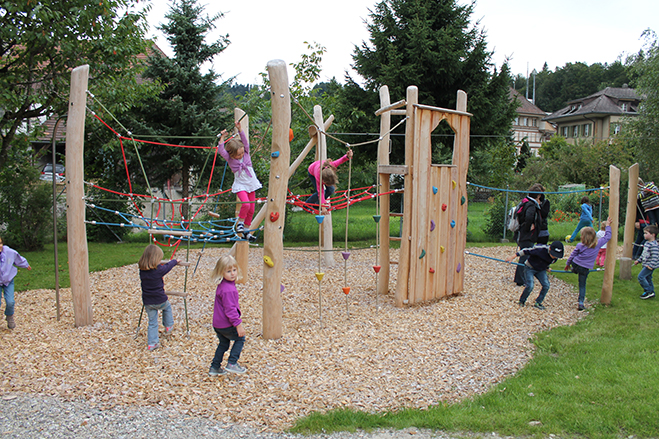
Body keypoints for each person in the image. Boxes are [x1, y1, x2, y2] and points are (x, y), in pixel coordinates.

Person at [218, 121, 262, 242]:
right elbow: (221, 150)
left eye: (242, 152)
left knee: (252, 209)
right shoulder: (229, 159)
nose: (241, 155)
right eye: (238, 154)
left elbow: (245, 142)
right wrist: (222, 138)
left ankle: (246, 232)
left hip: (251, 184)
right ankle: (240, 223)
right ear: (231, 155)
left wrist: (240, 129)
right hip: (241, 185)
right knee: (246, 204)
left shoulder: (246, 152)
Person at [138, 244, 183, 350]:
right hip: (160, 300)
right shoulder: (158, 271)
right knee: (167, 308)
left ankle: (152, 343)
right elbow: (167, 267)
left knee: (152, 322)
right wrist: (175, 261)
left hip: (148, 302)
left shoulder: (142, 270)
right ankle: (168, 325)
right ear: (155, 260)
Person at [209, 255, 247, 376]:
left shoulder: (223, 285)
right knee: (240, 338)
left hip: (218, 324)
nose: (232, 274)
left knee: (224, 343)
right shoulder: (228, 290)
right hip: (226, 323)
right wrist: (238, 324)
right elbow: (230, 310)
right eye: (228, 271)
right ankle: (232, 363)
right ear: (221, 272)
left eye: (234, 270)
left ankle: (215, 367)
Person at [565, 217, 612, 310]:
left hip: (576, 264)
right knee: (582, 284)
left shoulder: (580, 245)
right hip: (585, 268)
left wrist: (568, 264)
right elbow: (608, 236)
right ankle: (581, 302)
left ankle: (574, 270)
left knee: (576, 267)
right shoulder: (598, 244)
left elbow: (572, 255)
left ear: (583, 237)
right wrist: (608, 226)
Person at [506, 240, 564, 310]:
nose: (554, 257)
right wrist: (513, 256)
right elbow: (525, 251)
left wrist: (547, 268)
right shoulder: (540, 249)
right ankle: (521, 301)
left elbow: (547, 261)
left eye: (556, 256)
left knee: (546, 285)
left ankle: (538, 302)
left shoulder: (555, 258)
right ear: (550, 249)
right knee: (530, 286)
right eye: (553, 255)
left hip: (541, 270)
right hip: (529, 267)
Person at [513, 184, 543, 286]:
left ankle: (521, 278)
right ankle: (521, 279)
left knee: (525, 255)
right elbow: (529, 217)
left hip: (524, 234)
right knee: (525, 256)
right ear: (538, 195)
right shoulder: (531, 204)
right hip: (527, 235)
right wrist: (529, 227)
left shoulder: (525, 202)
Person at [306, 149, 353, 214]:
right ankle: (307, 204)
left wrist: (347, 156)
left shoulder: (331, 165)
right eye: (327, 184)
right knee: (319, 193)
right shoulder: (318, 177)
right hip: (312, 171)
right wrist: (323, 207)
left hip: (322, 170)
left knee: (331, 189)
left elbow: (340, 160)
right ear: (323, 181)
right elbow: (321, 192)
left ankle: (317, 204)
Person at [0, 237, 31, 329]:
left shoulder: (9, 252)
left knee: (10, 302)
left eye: (0, 243)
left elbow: (18, 258)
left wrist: (26, 265)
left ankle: (9, 316)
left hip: (8, 280)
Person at [634, 224, 659, 300]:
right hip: (646, 264)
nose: (644, 235)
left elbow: (655, 256)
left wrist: (651, 265)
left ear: (653, 235)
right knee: (648, 278)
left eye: (646, 233)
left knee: (641, 277)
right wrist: (639, 260)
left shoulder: (654, 245)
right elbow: (644, 254)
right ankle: (651, 292)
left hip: (650, 265)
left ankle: (648, 291)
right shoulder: (647, 243)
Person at [633, 196, 649, 261]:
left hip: (648, 221)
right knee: (645, 239)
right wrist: (636, 220)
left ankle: (635, 255)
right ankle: (637, 255)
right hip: (642, 221)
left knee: (640, 239)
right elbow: (635, 209)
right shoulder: (640, 198)